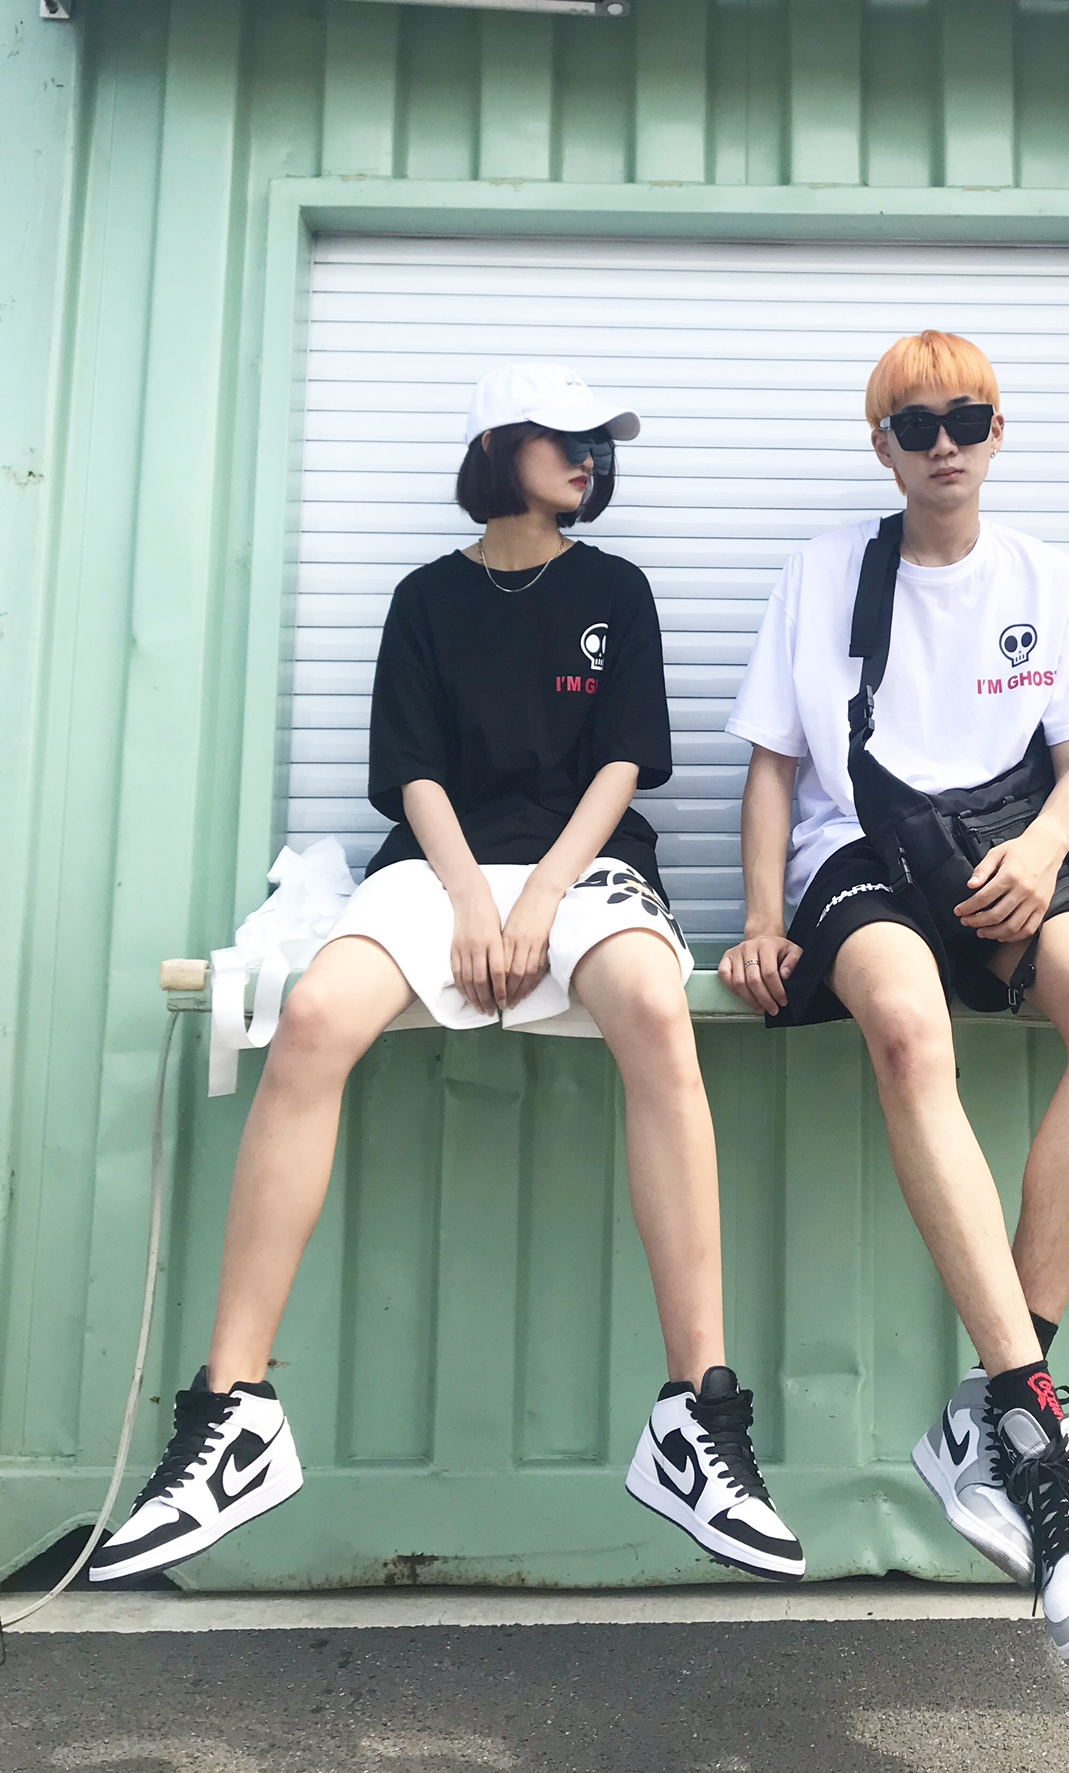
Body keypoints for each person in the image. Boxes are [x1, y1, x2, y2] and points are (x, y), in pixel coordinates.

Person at [94, 362, 803, 1587]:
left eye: (598, 442)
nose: (588, 457)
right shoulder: (424, 598)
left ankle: (697, 1415)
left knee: (653, 1008)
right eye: (563, 436)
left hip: (585, 869)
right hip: (435, 871)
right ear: (495, 449)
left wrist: (538, 899)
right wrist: (472, 895)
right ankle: (233, 1415)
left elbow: (622, 766)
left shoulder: (615, 590)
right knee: (315, 1016)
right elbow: (411, 771)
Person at [719, 330, 1069, 1663]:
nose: (945, 443)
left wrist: (1042, 851)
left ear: (997, 431)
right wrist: (757, 920)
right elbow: (773, 769)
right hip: (859, 858)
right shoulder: (822, 578)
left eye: (967, 419)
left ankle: (994, 1403)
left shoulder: (1045, 578)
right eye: (916, 426)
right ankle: (1031, 1422)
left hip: (1007, 854)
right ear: (884, 449)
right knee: (909, 1031)